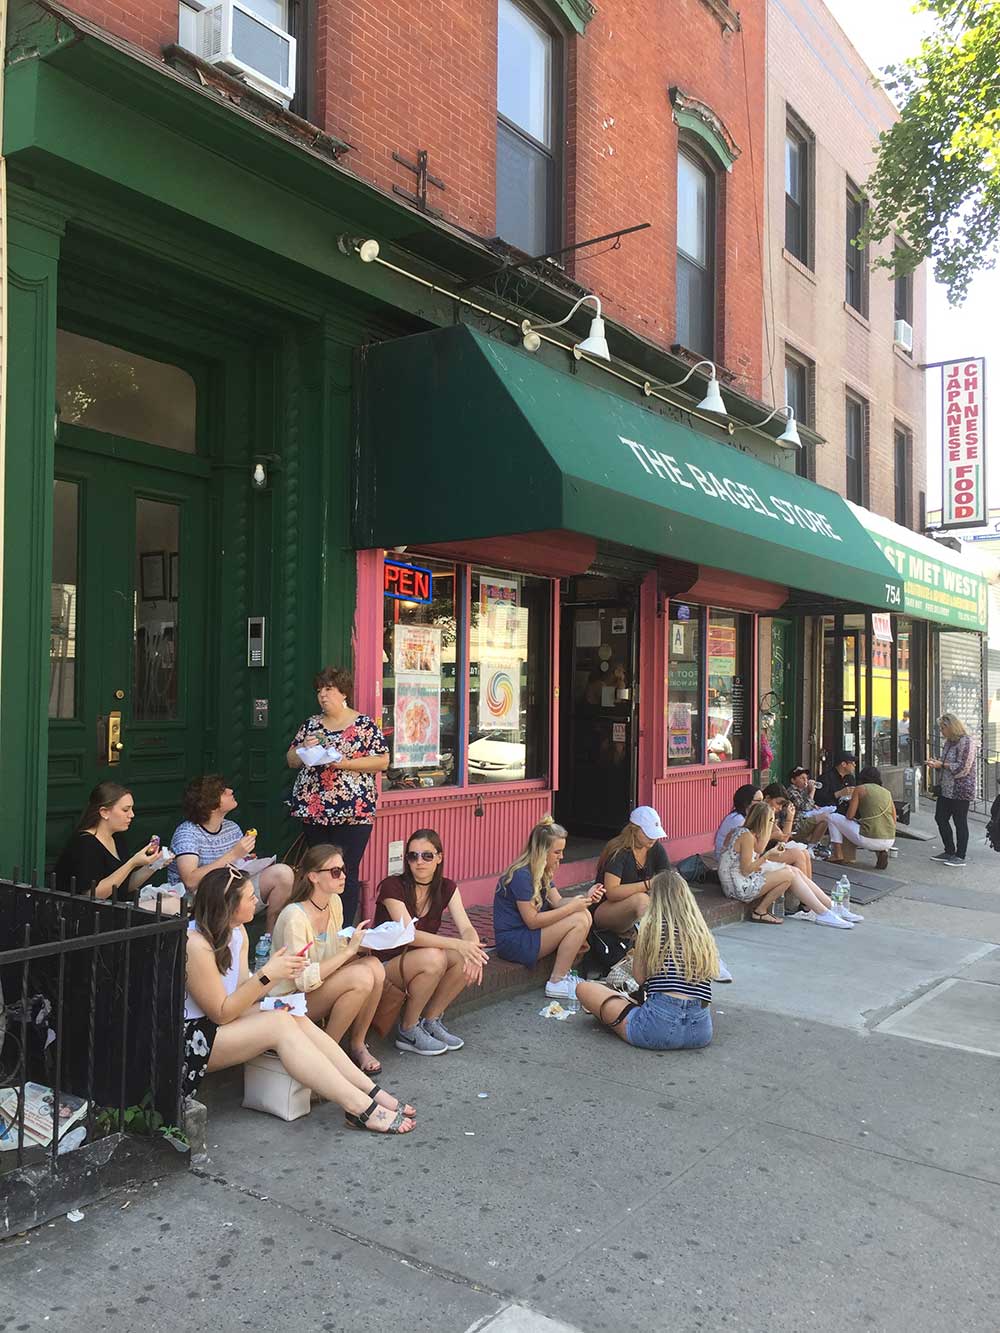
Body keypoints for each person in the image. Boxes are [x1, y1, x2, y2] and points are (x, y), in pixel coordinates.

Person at [183, 865, 415, 1135]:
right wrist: (267, 975)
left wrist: (271, 975)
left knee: (292, 1015)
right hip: (191, 1039)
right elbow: (221, 1013)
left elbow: (238, 996)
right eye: (249, 897)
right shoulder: (195, 942)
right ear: (229, 906)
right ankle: (359, 1107)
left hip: (218, 1025)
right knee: (279, 1025)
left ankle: (372, 1092)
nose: (256, 900)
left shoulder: (237, 932)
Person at [269, 845, 386, 1075]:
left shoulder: (334, 902)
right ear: (313, 877)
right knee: (361, 976)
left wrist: (368, 942)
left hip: (317, 988)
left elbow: (336, 949)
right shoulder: (295, 916)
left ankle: (357, 1045)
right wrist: (349, 953)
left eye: (344, 869)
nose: (343, 876)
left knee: (375, 967)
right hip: (287, 1000)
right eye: (335, 872)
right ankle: (326, 1058)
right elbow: (302, 980)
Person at [286, 666, 389, 925]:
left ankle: (342, 930)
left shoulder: (363, 724)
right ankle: (319, 924)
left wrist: (343, 763)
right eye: (319, 690)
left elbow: (382, 761)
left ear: (343, 692)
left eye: (329, 689)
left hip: (353, 810)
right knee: (318, 870)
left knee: (344, 869)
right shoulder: (311, 724)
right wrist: (302, 748)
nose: (323, 695)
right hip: (314, 808)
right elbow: (290, 760)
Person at [374, 828, 490, 1056]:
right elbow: (410, 935)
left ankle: (431, 1021)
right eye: (412, 856)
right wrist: (458, 944)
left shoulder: (447, 887)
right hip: (386, 967)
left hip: (422, 961)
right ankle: (407, 1029)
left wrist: (473, 951)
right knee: (437, 956)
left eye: (427, 855)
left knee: (461, 955)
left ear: (439, 857)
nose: (419, 862)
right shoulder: (392, 886)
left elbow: (466, 927)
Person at [577, 871, 715, 1049]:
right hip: (701, 1030)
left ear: (654, 898)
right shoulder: (701, 933)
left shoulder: (651, 928)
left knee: (584, 988)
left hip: (657, 1026)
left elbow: (639, 978)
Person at [493, 817, 604, 999]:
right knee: (578, 919)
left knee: (583, 914)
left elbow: (558, 902)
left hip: (529, 935)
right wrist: (572, 908)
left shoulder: (541, 870)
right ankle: (556, 981)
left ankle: (564, 977)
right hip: (514, 941)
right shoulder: (521, 875)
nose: (562, 857)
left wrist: (586, 897)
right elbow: (532, 922)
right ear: (542, 851)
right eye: (557, 852)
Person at [168, 775, 294, 916]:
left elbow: (237, 865)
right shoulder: (187, 833)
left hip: (231, 891)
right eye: (222, 791)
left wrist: (246, 860)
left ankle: (270, 937)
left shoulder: (231, 827)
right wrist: (233, 854)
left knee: (283, 873)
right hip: (200, 902)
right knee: (237, 895)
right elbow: (190, 881)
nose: (230, 791)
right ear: (210, 804)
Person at [719, 804, 855, 928]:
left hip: (742, 879)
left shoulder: (747, 833)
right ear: (763, 821)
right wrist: (768, 856)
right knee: (788, 873)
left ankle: (830, 906)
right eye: (771, 821)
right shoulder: (746, 836)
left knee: (793, 870)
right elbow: (746, 869)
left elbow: (756, 855)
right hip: (737, 886)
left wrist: (769, 855)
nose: (773, 824)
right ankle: (823, 913)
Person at [55, 782, 161, 900]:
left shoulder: (117, 838)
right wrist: (132, 863)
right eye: (125, 810)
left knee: (173, 902)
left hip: (116, 908)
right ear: (104, 812)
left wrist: (154, 864)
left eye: (131, 809)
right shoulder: (85, 844)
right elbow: (92, 895)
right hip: (88, 914)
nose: (132, 815)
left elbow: (124, 886)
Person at [593, 807, 671, 934]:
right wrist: (648, 884)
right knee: (642, 900)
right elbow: (611, 892)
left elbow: (667, 877)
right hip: (606, 908)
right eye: (647, 833)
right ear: (634, 830)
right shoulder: (619, 851)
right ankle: (652, 942)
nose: (652, 838)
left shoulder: (655, 848)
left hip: (639, 907)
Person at [927, 713, 977, 867]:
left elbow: (963, 767)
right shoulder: (948, 742)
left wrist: (942, 765)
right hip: (946, 788)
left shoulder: (966, 742)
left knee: (959, 821)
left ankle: (960, 855)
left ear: (952, 727)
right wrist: (936, 764)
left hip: (961, 789)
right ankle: (949, 850)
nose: (941, 731)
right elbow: (946, 763)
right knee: (940, 817)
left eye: (943, 728)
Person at [826, 766, 896, 869]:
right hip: (889, 840)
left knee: (832, 817)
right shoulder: (887, 792)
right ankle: (882, 851)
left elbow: (850, 816)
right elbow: (893, 820)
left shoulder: (860, 789)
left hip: (868, 839)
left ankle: (838, 854)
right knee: (877, 825)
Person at [712, 785, 763, 862]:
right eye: (758, 801)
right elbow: (755, 848)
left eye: (762, 800)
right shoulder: (737, 819)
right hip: (727, 861)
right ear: (746, 802)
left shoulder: (746, 817)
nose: (762, 804)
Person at [785, 767, 831, 846]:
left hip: (804, 820)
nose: (805, 780)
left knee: (825, 820)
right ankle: (810, 845)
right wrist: (813, 790)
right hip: (795, 825)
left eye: (806, 778)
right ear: (793, 780)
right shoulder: (791, 792)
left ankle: (812, 846)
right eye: (802, 778)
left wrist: (814, 806)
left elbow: (807, 805)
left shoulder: (802, 791)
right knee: (824, 817)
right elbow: (805, 808)